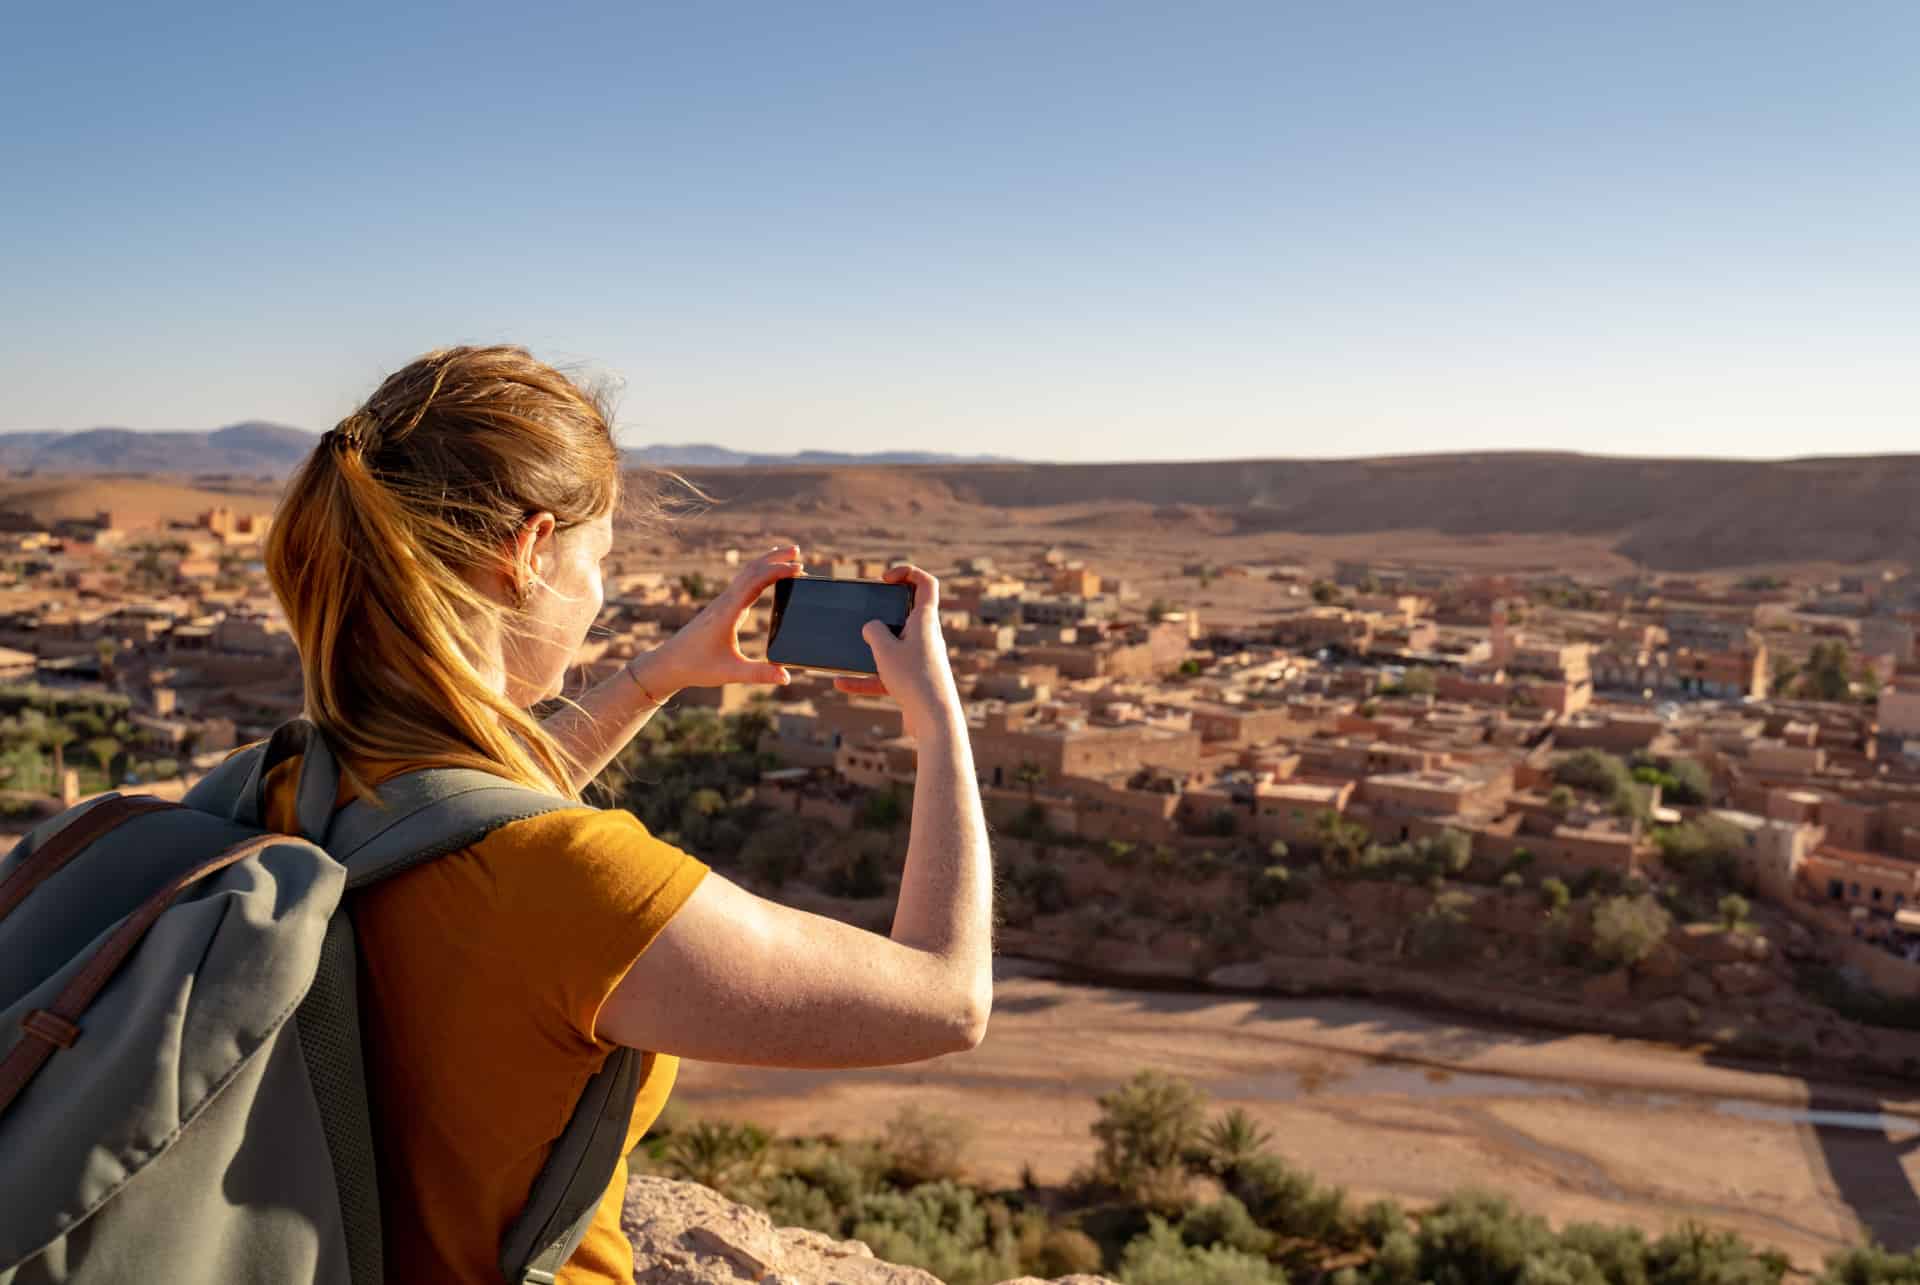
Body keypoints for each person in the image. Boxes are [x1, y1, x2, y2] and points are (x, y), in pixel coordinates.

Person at [259, 345, 994, 1283]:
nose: (600, 597)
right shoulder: (579, 884)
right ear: (528, 552)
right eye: (598, 558)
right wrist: (938, 723)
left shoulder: (298, 777)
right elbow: (947, 998)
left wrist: (658, 675)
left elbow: (456, 811)